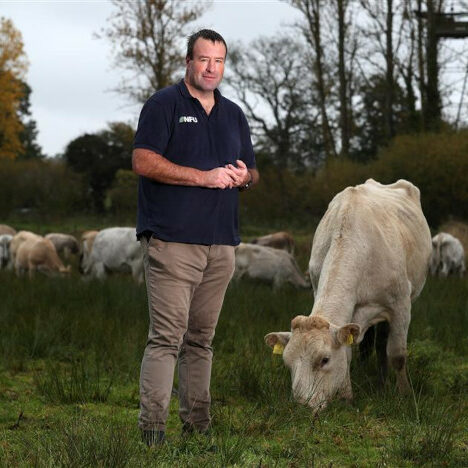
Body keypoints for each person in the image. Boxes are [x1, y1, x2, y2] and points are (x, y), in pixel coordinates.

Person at [132, 29, 259, 446]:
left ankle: (198, 426)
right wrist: (202, 177)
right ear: (189, 61)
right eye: (204, 60)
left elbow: (253, 171)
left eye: (218, 61)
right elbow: (144, 160)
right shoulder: (164, 104)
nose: (211, 68)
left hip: (221, 243)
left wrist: (245, 178)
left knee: (201, 339)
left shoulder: (234, 113)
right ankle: (153, 430)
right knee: (167, 338)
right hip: (173, 240)